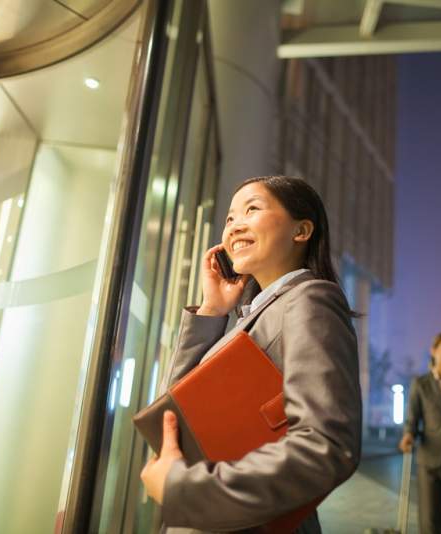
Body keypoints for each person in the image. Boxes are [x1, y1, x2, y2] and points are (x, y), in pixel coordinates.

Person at [140, 176, 362, 533]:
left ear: (302, 230)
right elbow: (180, 413)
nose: (235, 225)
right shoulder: (255, 314)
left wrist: (184, 489)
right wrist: (212, 310)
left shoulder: (310, 298)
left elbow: (327, 445)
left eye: (252, 209)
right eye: (229, 218)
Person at [399, 332, 441, 534]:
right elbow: (412, 417)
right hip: (430, 460)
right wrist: (408, 434)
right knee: (430, 521)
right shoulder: (421, 383)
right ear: (433, 351)